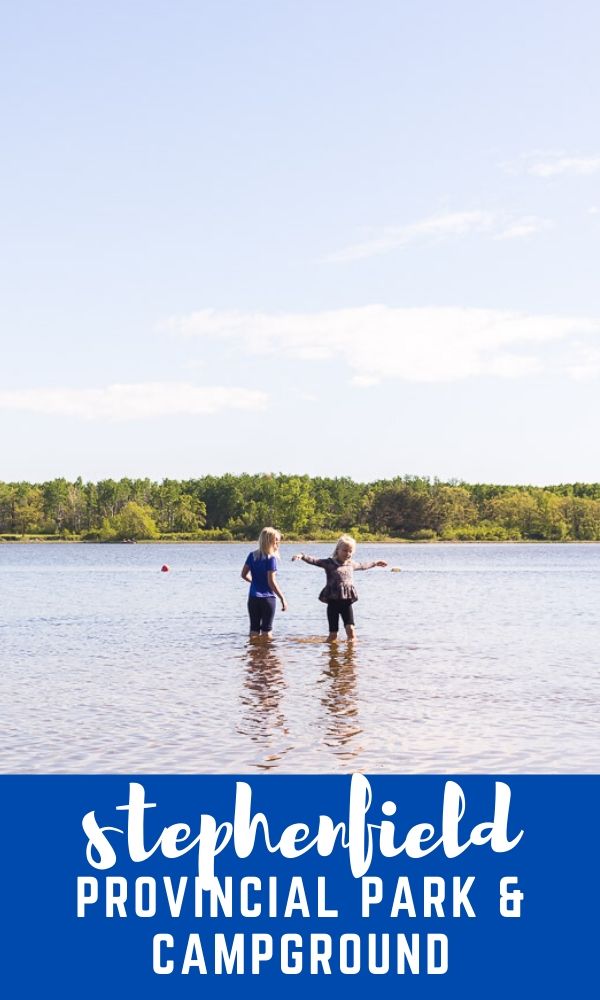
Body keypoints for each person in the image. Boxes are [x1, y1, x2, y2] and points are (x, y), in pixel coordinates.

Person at [292, 534, 387, 641]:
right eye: (345, 550)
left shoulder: (351, 564)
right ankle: (332, 656)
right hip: (333, 602)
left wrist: (375, 563)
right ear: (338, 550)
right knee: (333, 635)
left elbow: (363, 565)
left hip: (346, 602)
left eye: (350, 551)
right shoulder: (329, 563)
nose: (348, 553)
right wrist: (302, 556)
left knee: (351, 631)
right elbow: (315, 561)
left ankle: (351, 656)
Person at [241, 527, 287, 637]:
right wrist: (282, 598)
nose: (278, 542)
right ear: (269, 541)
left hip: (253, 598)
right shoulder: (271, 559)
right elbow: (271, 581)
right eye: (276, 540)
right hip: (268, 598)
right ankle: (267, 654)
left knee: (254, 630)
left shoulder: (252, 556)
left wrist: (254, 582)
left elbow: (243, 575)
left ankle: (253, 652)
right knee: (267, 632)